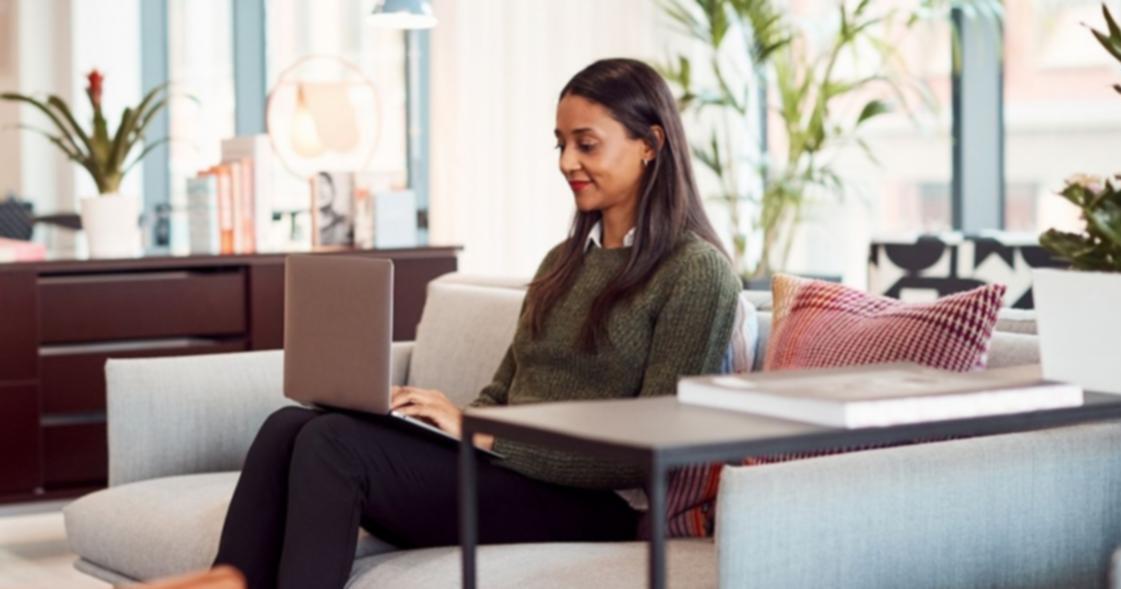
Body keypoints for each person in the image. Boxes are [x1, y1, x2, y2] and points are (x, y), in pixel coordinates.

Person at [212, 57, 742, 589]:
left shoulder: (695, 272)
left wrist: (483, 434)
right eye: (560, 144)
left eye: (586, 144)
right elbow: (503, 391)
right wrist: (431, 423)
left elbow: (650, 451)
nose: (567, 162)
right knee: (289, 426)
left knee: (332, 445)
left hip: (595, 503)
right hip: (508, 471)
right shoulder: (562, 262)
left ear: (650, 143)